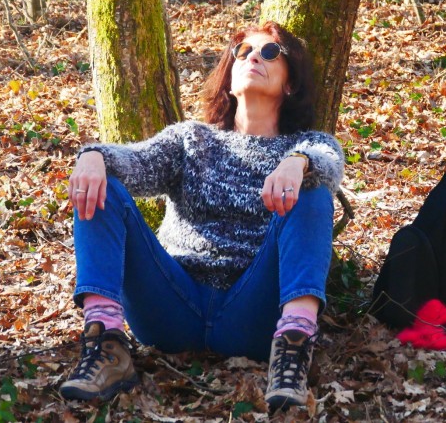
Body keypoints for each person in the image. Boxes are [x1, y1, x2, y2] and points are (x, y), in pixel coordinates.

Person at [59, 21, 345, 411]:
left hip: (252, 316)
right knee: (101, 184)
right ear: (228, 79)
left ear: (290, 83)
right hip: (171, 306)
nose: (253, 57)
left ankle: (293, 349)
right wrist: (94, 155)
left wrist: (298, 163)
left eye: (270, 52)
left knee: (315, 196)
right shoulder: (192, 139)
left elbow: (328, 162)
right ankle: (105, 343)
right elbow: (134, 162)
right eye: (242, 53)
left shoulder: (307, 145)